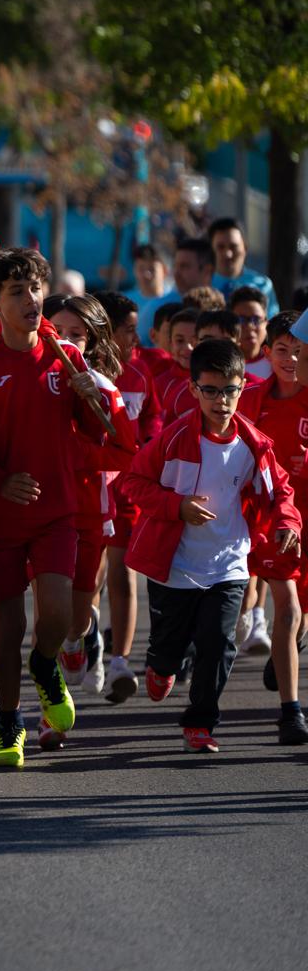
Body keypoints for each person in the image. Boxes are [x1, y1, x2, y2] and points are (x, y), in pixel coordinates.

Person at [0, 248, 106, 768]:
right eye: (17, 292)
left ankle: (45, 667)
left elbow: (95, 433)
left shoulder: (66, 356)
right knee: (8, 626)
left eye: (35, 289)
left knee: (61, 614)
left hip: (58, 508)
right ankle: (7, 721)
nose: (31, 300)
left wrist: (92, 400)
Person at [122, 339, 300, 752]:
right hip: (176, 564)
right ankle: (161, 666)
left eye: (231, 390)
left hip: (229, 564)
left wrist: (287, 522)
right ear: (193, 390)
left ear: (242, 388)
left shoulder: (254, 444)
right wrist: (175, 506)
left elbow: (280, 493)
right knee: (168, 649)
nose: (222, 401)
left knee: (219, 644)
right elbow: (133, 482)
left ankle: (200, 723)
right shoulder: (173, 438)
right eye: (212, 390)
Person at [43, 294, 135, 734]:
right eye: (57, 332)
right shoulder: (28, 380)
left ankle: (85, 633)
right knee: (44, 616)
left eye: (76, 335)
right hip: (37, 510)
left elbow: (125, 452)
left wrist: (72, 447)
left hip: (86, 511)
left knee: (73, 618)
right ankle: (48, 712)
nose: (65, 342)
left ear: (95, 341)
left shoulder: (102, 387)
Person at [236, 313, 308, 744]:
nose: (290, 358)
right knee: (287, 609)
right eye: (281, 350)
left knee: (298, 616)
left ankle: (287, 652)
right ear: (268, 353)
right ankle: (290, 712)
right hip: (274, 522)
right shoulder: (253, 401)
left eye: (297, 350)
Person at [96, 291, 163, 703]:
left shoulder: (139, 376)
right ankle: (86, 643)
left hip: (126, 492)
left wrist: (149, 448)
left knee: (123, 573)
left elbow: (153, 421)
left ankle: (120, 659)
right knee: (91, 577)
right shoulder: (78, 370)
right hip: (86, 489)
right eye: (128, 330)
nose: (135, 338)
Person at [210, 217, 280, 315]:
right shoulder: (201, 283)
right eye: (220, 247)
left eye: (233, 246)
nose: (227, 254)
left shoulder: (262, 285)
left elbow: (271, 325)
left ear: (245, 248)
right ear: (212, 250)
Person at [129, 243, 179, 344]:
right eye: (141, 269)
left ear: (165, 271)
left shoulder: (175, 299)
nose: (146, 274)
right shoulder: (126, 301)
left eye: (152, 269)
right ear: (134, 270)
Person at [227, 285, 272, 379]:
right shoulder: (221, 363)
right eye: (241, 319)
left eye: (256, 319)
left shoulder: (278, 364)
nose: (249, 326)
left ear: (266, 323)